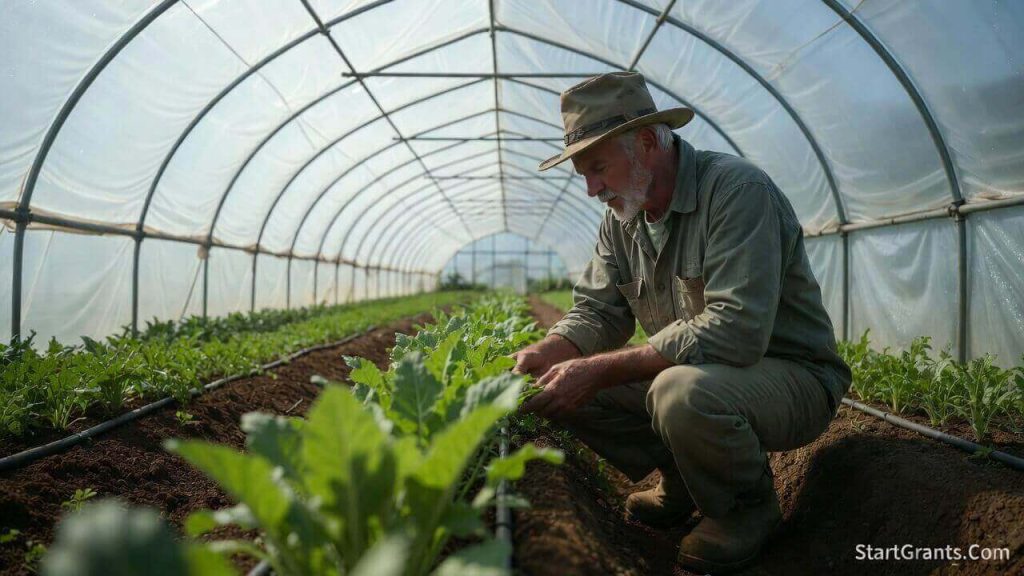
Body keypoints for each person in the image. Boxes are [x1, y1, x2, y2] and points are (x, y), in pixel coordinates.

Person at [512, 72, 851, 574]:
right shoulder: (621, 220)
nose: (591, 189)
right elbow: (598, 311)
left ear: (646, 142)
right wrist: (551, 349)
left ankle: (744, 509)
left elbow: (736, 330)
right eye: (582, 174)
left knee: (678, 391)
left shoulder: (736, 191)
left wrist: (602, 369)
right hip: (702, 374)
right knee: (558, 385)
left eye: (598, 168)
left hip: (790, 377)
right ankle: (685, 479)